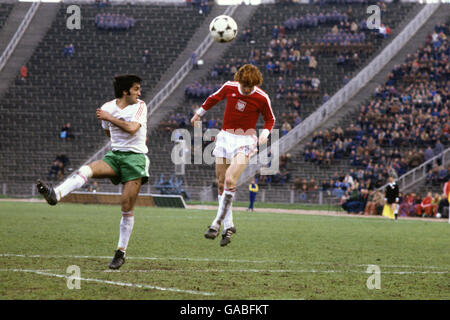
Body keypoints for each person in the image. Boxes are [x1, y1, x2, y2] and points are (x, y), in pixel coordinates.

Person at [36, 75, 149, 270]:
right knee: (87, 169)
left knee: (125, 205)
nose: (140, 92)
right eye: (136, 89)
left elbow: (131, 128)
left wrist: (112, 119)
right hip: (116, 156)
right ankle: (56, 194)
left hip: (136, 159)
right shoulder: (107, 107)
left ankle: (120, 252)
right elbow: (108, 132)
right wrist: (113, 126)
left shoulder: (140, 105)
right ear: (125, 91)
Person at [190, 64, 275, 247]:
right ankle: (229, 225)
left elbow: (270, 119)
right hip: (225, 138)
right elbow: (214, 98)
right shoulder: (230, 87)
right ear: (239, 81)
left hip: (245, 141)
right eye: (244, 85)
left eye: (250, 87)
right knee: (221, 183)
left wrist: (265, 134)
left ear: (255, 84)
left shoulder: (261, 97)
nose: (246, 89)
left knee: (230, 180)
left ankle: (216, 224)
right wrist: (199, 114)